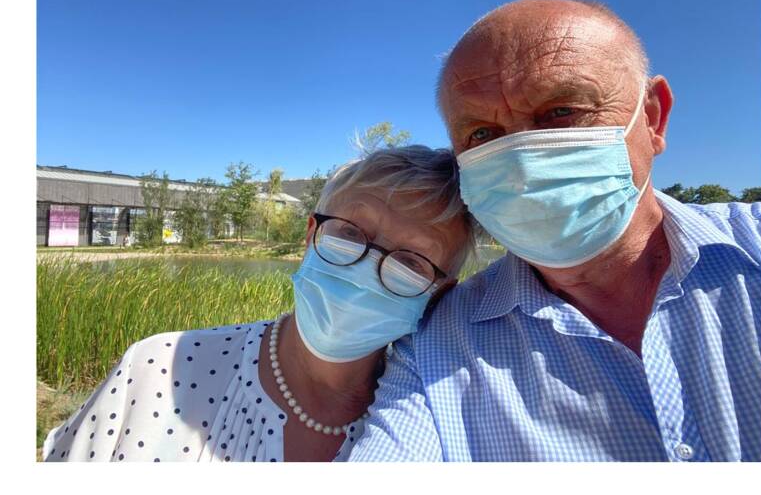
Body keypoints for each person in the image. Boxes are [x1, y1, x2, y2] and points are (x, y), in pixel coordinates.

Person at [347, 0, 761, 462]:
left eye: (561, 111)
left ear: (652, 116)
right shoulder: (434, 348)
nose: (523, 163)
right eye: (481, 134)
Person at [42, 145, 473, 462]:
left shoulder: (434, 428)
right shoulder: (157, 368)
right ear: (310, 234)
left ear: (439, 292)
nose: (365, 267)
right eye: (349, 233)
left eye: (410, 262)